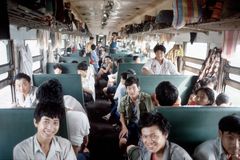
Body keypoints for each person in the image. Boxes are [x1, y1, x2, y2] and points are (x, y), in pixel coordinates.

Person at [127, 112, 192, 160]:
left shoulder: (180, 156)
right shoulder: (144, 147)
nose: (149, 142)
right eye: (145, 136)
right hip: (138, 153)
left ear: (165, 134)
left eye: (154, 136)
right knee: (129, 148)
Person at [119, 76, 154, 147]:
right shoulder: (123, 100)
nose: (131, 91)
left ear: (139, 88)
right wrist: (124, 127)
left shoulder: (146, 98)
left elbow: (151, 114)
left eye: (134, 88)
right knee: (123, 141)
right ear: (126, 90)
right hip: (130, 124)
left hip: (144, 124)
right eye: (129, 88)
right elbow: (121, 116)